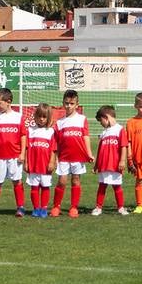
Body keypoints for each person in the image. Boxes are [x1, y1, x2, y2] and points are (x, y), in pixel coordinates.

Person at [0, 87, 27, 218]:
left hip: (15, 156)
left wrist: (22, 153)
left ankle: (20, 207)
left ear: (8, 101)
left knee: (17, 181)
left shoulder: (18, 117)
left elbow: (23, 136)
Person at [52, 89, 92, 218]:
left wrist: (89, 153)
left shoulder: (82, 119)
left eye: (71, 103)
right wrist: (55, 158)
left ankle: (74, 207)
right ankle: (56, 206)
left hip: (78, 157)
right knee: (62, 181)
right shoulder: (59, 122)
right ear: (63, 103)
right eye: (66, 103)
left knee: (75, 181)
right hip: (64, 157)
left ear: (77, 104)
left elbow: (86, 136)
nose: (69, 106)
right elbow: (56, 142)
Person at [92, 105, 128, 216]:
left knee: (117, 186)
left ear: (106, 117)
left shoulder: (120, 130)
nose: (101, 123)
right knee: (102, 186)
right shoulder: (104, 133)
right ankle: (98, 207)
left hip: (115, 165)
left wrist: (122, 160)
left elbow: (123, 146)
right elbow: (100, 151)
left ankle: (121, 207)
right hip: (103, 165)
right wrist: (96, 165)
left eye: (101, 121)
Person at [23, 103, 57, 217]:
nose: (42, 119)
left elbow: (53, 149)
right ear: (35, 116)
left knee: (45, 186)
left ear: (48, 118)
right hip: (33, 164)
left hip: (46, 165)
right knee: (34, 187)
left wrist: (52, 161)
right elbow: (27, 148)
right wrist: (26, 162)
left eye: (44, 117)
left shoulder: (51, 131)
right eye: (40, 116)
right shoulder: (30, 130)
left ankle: (44, 208)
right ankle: (36, 208)